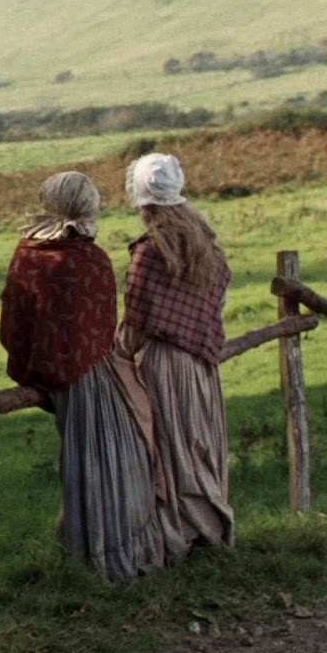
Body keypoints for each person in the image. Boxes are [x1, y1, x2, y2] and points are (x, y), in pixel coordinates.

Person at [0, 171, 164, 582]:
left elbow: (14, 324)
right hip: (94, 374)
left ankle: (86, 556)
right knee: (111, 461)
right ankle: (107, 551)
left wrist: (36, 365)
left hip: (48, 373)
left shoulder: (27, 256)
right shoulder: (93, 260)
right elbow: (105, 327)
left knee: (84, 463)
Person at [120, 153, 235, 562]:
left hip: (164, 365)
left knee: (173, 452)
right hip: (202, 364)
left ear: (142, 200)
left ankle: (182, 536)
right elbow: (218, 304)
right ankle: (208, 530)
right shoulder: (207, 246)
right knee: (199, 443)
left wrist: (119, 357)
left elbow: (136, 321)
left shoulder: (150, 253)